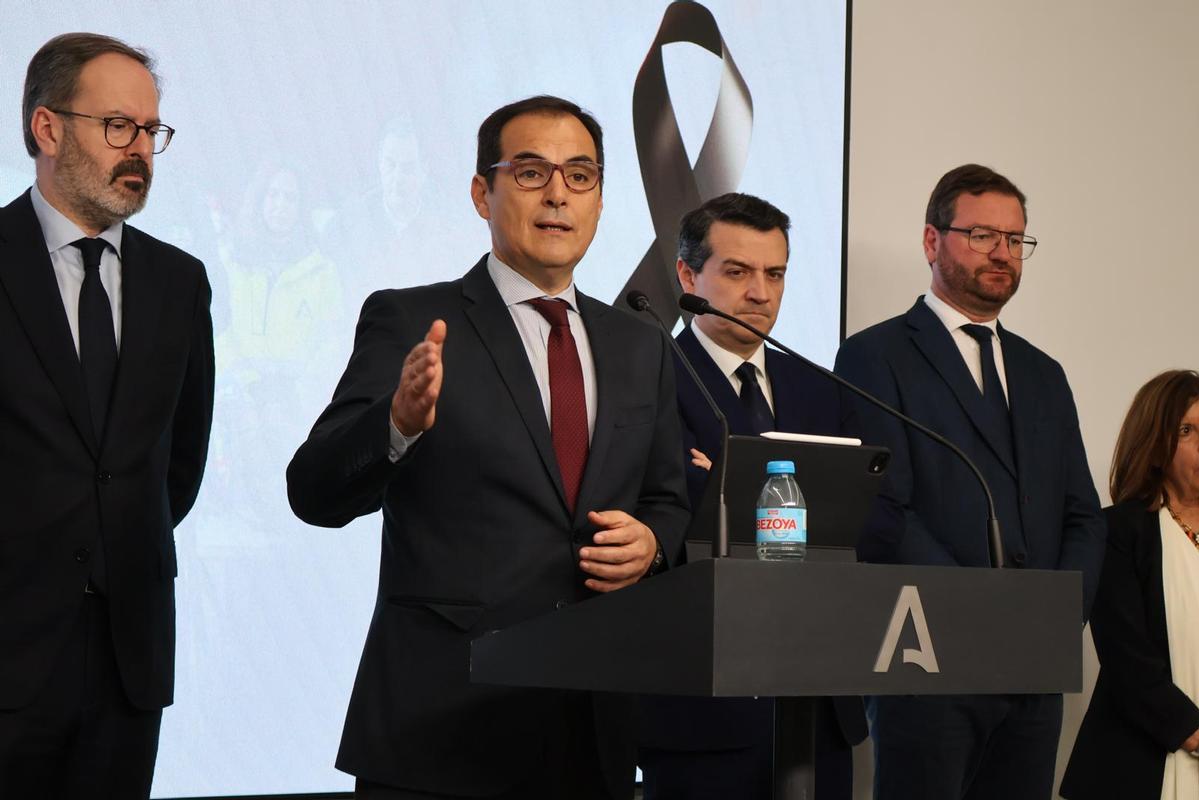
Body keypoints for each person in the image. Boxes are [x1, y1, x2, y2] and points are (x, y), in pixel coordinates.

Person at [286, 95, 690, 800]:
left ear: (600, 198)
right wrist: (398, 423)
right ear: (483, 193)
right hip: (439, 733)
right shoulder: (410, 318)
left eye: (580, 175)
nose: (558, 194)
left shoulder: (641, 344)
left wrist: (652, 543)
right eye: (531, 172)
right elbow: (313, 490)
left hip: (589, 733)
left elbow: (666, 498)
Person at [833, 163, 1105, 799]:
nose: (1002, 254)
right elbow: (884, 507)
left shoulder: (1044, 373)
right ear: (932, 242)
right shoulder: (875, 356)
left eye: (1015, 240)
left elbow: (1083, 516)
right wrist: (979, 615)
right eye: (983, 235)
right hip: (929, 658)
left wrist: (1061, 615)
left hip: (1034, 664)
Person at [0, 33, 215, 798]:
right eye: (118, 126)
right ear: (47, 128)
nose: (142, 151)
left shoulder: (179, 282)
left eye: (151, 131)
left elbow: (176, 469)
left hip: (130, 663)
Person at [636, 192, 865, 800]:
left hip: (817, 702)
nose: (760, 294)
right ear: (688, 276)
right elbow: (676, 516)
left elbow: (866, 516)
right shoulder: (651, 378)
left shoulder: (820, 388)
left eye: (775, 274)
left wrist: (726, 483)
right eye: (737, 272)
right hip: (702, 706)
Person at [1061, 369, 1199, 799]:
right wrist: (1194, 733)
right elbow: (1127, 658)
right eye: (1187, 430)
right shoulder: (1117, 531)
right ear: (1156, 444)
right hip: (1136, 763)